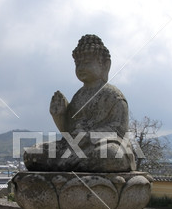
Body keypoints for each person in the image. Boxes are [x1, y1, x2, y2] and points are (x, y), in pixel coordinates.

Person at [24, 34, 136, 172]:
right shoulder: (78, 96)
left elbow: (118, 130)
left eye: (87, 62)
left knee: (112, 154)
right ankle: (72, 164)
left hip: (100, 146)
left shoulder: (113, 95)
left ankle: (66, 164)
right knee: (32, 154)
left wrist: (89, 136)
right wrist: (59, 116)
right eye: (78, 64)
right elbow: (69, 132)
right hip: (74, 148)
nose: (81, 67)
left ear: (105, 65)